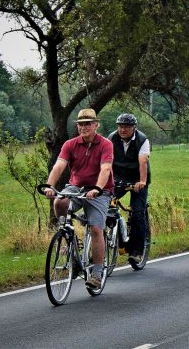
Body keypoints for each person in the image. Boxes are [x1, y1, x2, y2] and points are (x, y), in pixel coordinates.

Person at [43, 108, 114, 289]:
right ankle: (66, 233)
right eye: (81, 124)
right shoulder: (70, 144)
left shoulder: (105, 144)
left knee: (96, 229)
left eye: (88, 124)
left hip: (99, 190)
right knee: (60, 201)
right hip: (76, 187)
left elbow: (106, 169)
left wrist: (97, 188)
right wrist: (50, 186)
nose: (84, 127)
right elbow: (59, 166)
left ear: (96, 125)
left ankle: (97, 274)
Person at [107, 113, 150, 264]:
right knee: (105, 207)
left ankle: (137, 251)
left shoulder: (142, 139)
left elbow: (143, 161)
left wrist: (142, 181)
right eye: (120, 126)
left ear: (134, 128)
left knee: (138, 213)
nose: (122, 129)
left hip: (138, 180)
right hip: (118, 178)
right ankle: (117, 240)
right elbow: (106, 160)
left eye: (126, 126)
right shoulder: (111, 138)